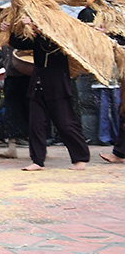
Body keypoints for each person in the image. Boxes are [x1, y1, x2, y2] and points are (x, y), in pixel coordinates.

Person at [6, 15, 90, 171]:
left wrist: (35, 27)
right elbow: (18, 43)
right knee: (36, 125)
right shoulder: (37, 38)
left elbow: (48, 45)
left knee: (66, 124)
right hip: (37, 86)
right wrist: (13, 29)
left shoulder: (59, 38)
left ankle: (80, 158)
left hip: (57, 87)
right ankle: (37, 161)